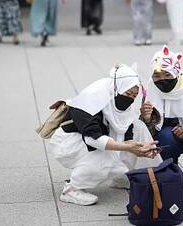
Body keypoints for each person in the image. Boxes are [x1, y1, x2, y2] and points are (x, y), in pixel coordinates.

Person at [48, 64, 160, 206]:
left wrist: (139, 147)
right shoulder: (90, 100)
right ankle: (72, 189)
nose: (130, 99)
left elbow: (127, 132)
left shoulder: (117, 100)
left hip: (96, 136)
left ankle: (120, 177)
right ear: (116, 88)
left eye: (134, 96)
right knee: (105, 154)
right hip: (69, 141)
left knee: (138, 127)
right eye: (127, 94)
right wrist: (129, 147)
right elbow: (93, 139)